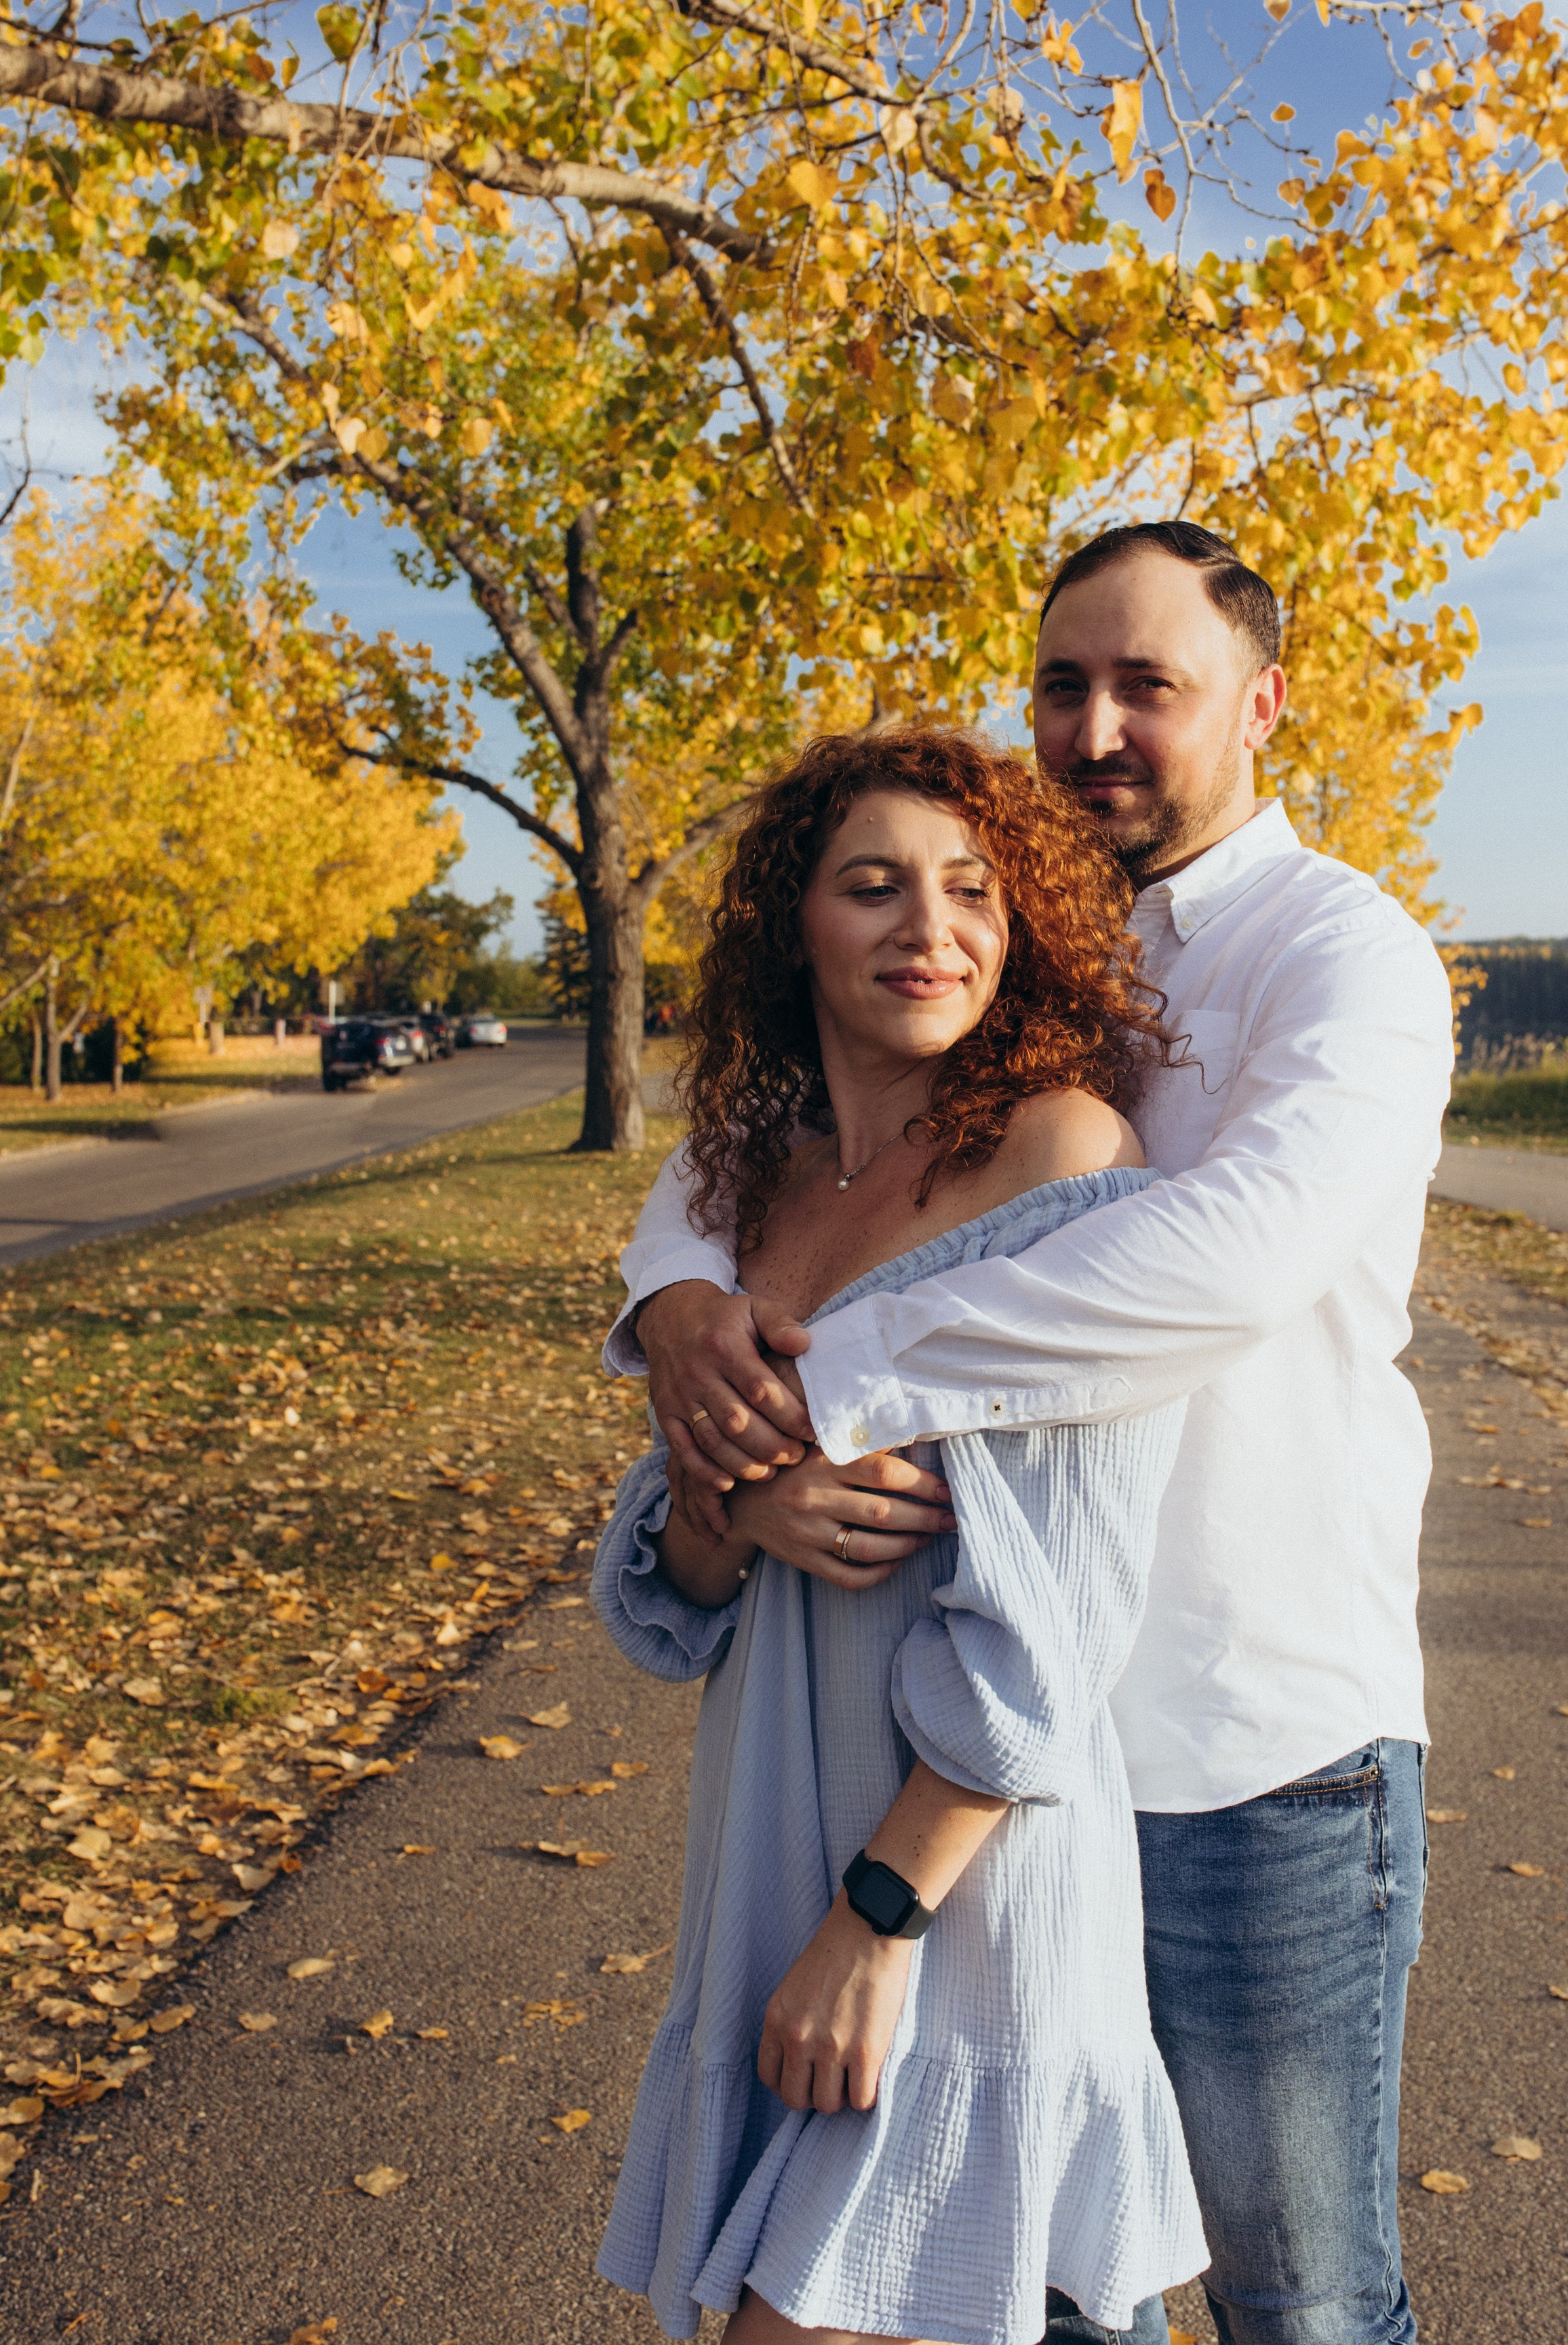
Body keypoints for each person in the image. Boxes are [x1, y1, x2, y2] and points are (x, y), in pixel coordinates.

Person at [612, 522, 1454, 2345]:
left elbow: (1238, 1255)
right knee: (1043, 2298)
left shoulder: (1339, 952)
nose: (1094, 729)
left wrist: (825, 1385)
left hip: (1246, 1746)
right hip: (994, 1766)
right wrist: (674, 1300)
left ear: (1262, 703)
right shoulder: (1017, 949)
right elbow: (783, 1157)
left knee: (1302, 2302)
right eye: (1062, 684)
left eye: (1149, 685)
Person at [591, 728, 1208, 2345]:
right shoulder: (750, 1186)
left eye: (970, 890)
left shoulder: (1059, 1155)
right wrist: (747, 1502)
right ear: (791, 927)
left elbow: (1062, 1614)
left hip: (956, 1886)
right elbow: (676, 1591)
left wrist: (877, 1922)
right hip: (766, 1839)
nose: (929, 928)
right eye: (872, 887)